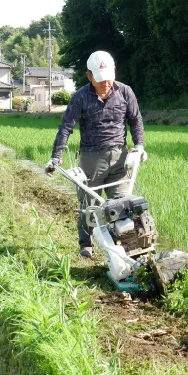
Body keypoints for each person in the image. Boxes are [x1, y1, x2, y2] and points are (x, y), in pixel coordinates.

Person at [45, 51, 147, 258]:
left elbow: (135, 120)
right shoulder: (81, 97)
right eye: (100, 80)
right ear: (89, 76)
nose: (106, 83)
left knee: (123, 206)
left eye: (109, 78)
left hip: (120, 157)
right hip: (91, 158)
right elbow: (65, 127)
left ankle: (126, 249)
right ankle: (86, 244)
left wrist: (140, 145)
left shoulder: (125, 92)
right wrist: (56, 157)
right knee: (89, 206)